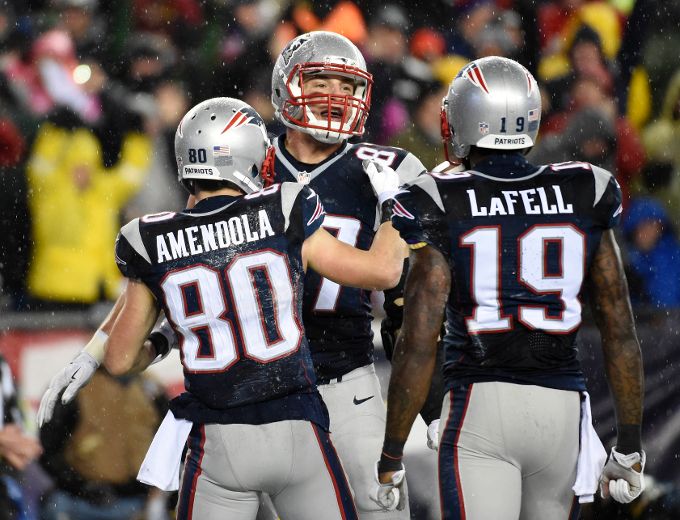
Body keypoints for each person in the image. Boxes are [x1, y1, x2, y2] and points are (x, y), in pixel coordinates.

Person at [37, 31, 434, 519]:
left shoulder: (389, 167)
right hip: (259, 390)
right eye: (321, 79)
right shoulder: (241, 155)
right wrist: (97, 346)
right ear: (286, 87)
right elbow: (185, 262)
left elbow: (424, 290)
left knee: (381, 511)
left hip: (345, 380)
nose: (336, 95)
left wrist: (433, 394)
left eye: (347, 85)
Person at [372, 56, 646, 519]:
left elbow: (418, 342)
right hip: (561, 408)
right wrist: (629, 445)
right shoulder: (585, 186)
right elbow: (620, 329)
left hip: (480, 402)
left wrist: (392, 454)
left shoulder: (438, 197)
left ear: (463, 119)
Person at [39, 367, 169, 520]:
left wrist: (153, 490)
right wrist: (81, 486)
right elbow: (47, 450)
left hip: (137, 503)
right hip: (79, 503)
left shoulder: (150, 387)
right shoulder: (73, 386)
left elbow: (172, 445)